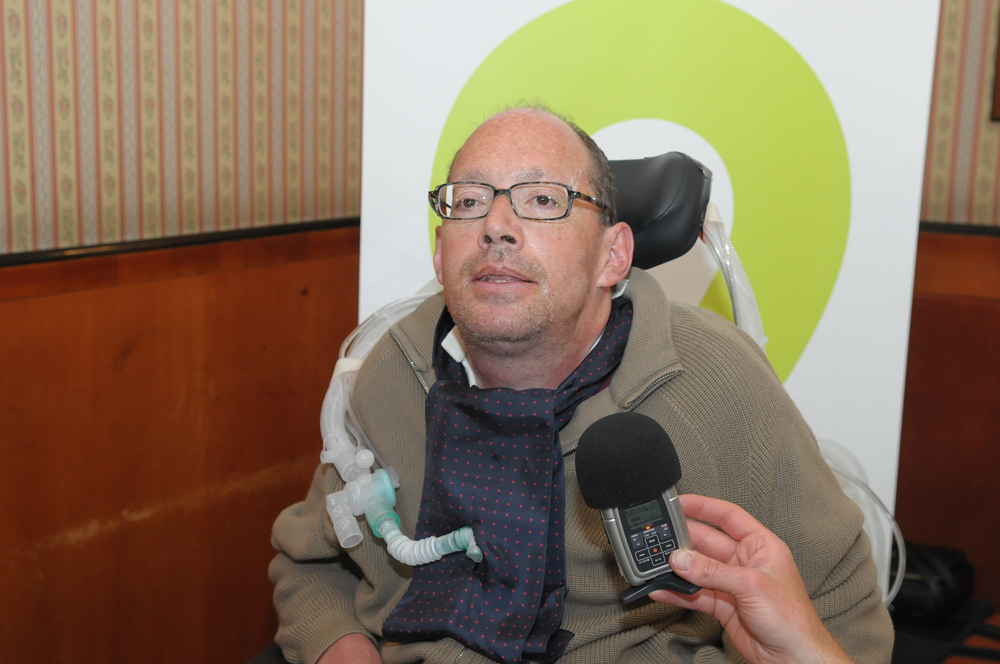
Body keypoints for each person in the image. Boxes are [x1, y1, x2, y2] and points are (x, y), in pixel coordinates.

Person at [269, 106, 893, 664]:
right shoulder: (391, 373)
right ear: (440, 253)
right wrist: (341, 649)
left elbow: (840, 616)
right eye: (470, 201)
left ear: (613, 255)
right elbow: (313, 566)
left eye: (543, 200)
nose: (496, 226)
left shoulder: (715, 381)